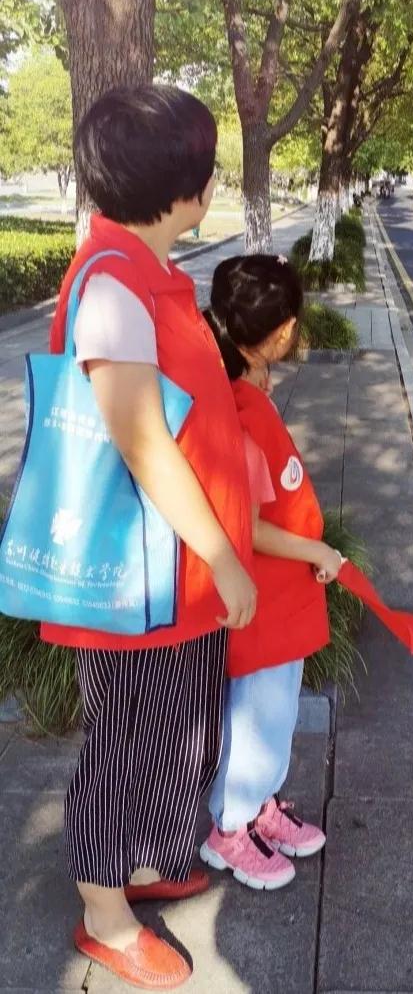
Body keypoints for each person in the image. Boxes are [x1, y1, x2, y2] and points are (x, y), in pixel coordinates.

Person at [44, 86, 256, 989]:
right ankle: (104, 912)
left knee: (178, 731)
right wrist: (222, 555)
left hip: (175, 574)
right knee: (125, 741)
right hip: (136, 577)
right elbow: (141, 441)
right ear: (183, 188)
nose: (212, 183)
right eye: (205, 169)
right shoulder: (113, 287)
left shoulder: (150, 273)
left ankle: (139, 859)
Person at [199, 255, 341, 890]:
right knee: (256, 715)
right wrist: (316, 552)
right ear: (282, 332)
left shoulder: (239, 391)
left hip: (276, 594)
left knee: (274, 710)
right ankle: (230, 830)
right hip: (263, 595)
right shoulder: (239, 410)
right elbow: (247, 524)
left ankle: (258, 806)